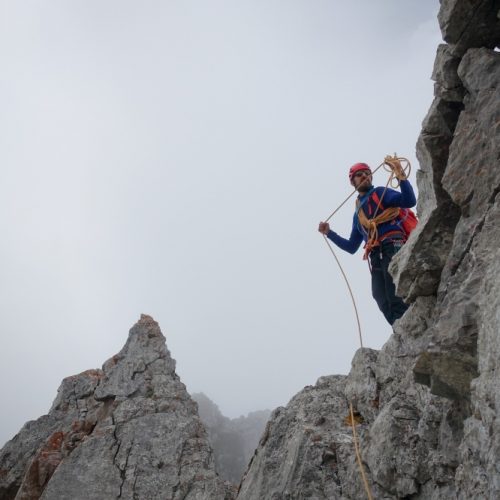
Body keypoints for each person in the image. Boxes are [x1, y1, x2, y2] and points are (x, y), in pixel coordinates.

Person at [318, 160, 416, 325]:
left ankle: (407, 325)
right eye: (359, 174)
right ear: (352, 181)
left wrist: (400, 176)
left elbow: (409, 201)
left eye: (367, 173)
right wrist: (329, 233)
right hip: (376, 253)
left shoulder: (380, 193)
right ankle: (399, 328)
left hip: (392, 243)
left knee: (393, 291)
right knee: (380, 295)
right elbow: (351, 247)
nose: (364, 175)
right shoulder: (358, 215)